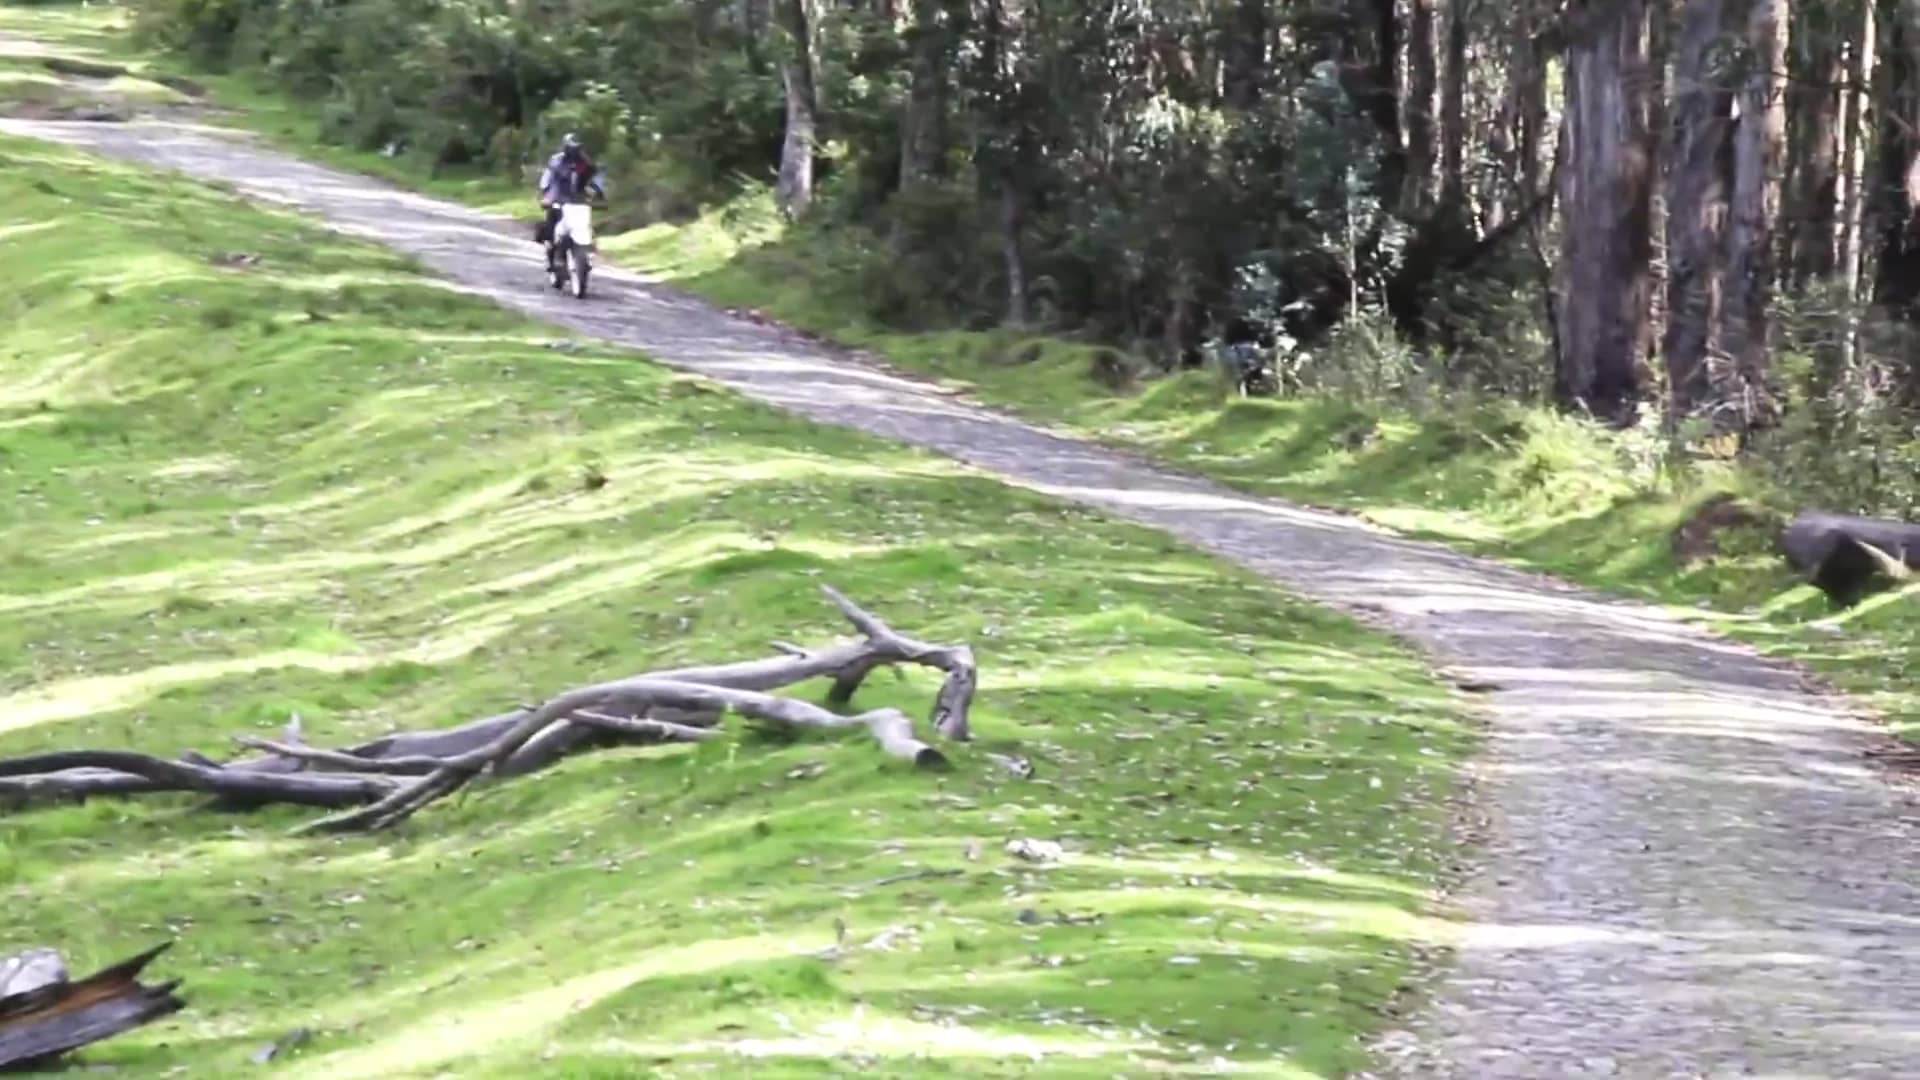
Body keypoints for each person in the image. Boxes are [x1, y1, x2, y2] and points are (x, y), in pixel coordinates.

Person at [535, 134, 605, 260]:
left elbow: (596, 177)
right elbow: (548, 178)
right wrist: (546, 194)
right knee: (550, 222)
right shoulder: (556, 161)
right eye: (571, 147)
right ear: (565, 147)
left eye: (577, 148)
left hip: (578, 200)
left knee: (586, 224)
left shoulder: (586, 163)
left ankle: (590, 245)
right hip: (558, 197)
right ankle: (550, 250)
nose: (574, 151)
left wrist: (597, 192)